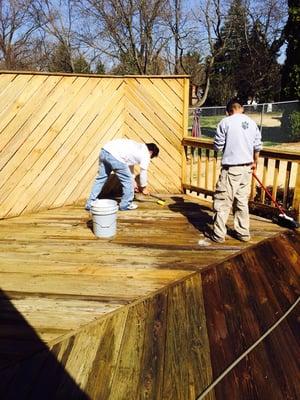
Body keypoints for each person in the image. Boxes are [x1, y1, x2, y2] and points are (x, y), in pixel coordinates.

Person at [209, 98, 262, 242]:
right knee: (241, 202)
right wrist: (255, 162)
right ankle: (243, 233)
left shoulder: (225, 122)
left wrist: (219, 145)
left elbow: (218, 146)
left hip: (231, 169)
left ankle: (218, 234)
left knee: (223, 201)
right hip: (247, 169)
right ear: (242, 108)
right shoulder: (251, 123)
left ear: (228, 111)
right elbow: (257, 146)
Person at [85, 139, 159, 211]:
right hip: (116, 156)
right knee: (128, 182)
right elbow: (143, 172)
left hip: (104, 151)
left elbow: (129, 165)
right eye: (151, 156)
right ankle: (125, 205)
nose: (150, 158)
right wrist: (143, 187)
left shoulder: (137, 147)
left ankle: (90, 203)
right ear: (151, 152)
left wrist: (133, 181)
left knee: (101, 179)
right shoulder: (146, 154)